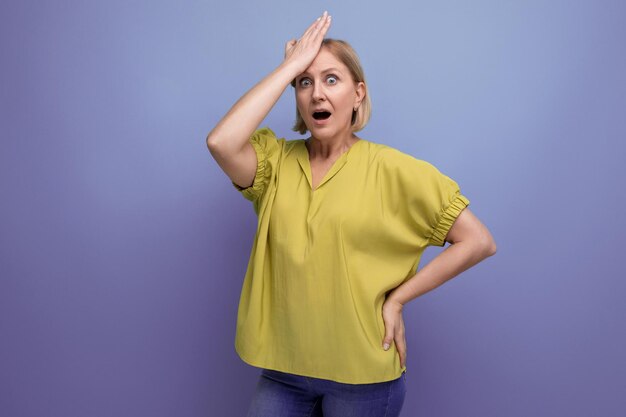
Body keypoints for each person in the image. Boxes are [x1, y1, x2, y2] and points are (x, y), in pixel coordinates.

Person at [206, 11, 496, 417]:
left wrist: (398, 300)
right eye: (305, 83)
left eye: (331, 79)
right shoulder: (274, 163)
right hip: (283, 372)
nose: (316, 94)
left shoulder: (393, 170)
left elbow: (479, 241)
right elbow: (221, 142)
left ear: (358, 93)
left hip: (364, 377)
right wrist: (289, 65)